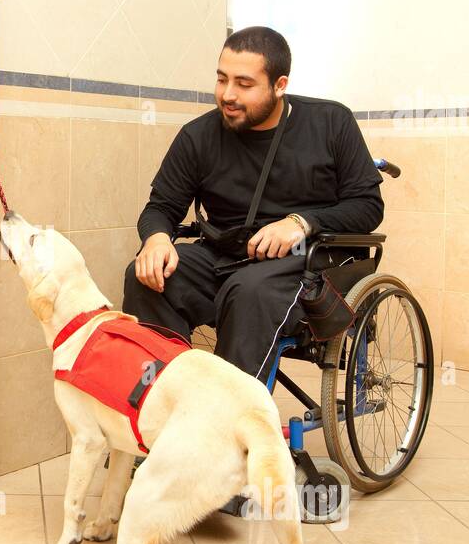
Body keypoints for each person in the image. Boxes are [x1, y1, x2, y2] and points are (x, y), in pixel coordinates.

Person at [123, 26, 383, 384]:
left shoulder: (331, 123)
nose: (228, 95)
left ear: (279, 85)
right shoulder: (197, 136)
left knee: (248, 291)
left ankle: (229, 421)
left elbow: (368, 206)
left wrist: (301, 223)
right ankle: (163, 397)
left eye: (244, 84)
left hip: (307, 262)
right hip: (225, 257)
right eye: (221, 80)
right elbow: (160, 207)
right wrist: (155, 239)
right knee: (148, 277)